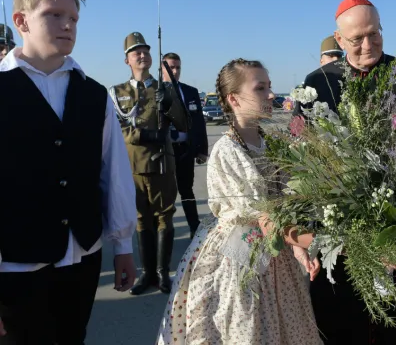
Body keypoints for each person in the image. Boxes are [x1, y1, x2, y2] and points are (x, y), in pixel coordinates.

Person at [0, 0, 137, 344]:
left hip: (83, 256)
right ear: (21, 21)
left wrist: (123, 245)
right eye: (54, 15)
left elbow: (114, 173)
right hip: (16, 264)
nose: (67, 25)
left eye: (73, 18)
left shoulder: (93, 94)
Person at [294, 0, 396, 345]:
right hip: (340, 229)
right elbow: (304, 157)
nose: (367, 45)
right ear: (339, 40)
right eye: (356, 39)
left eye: (375, 34)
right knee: (345, 321)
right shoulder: (317, 83)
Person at [156, 58, 323, 344]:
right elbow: (267, 220)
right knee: (250, 329)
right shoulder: (227, 151)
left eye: (269, 87)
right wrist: (327, 242)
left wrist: (298, 251)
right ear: (234, 99)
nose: (271, 94)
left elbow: (286, 201)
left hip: (278, 255)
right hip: (242, 262)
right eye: (260, 88)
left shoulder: (271, 144)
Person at [109, 32, 190, 295]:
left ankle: (163, 273)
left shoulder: (165, 88)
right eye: (136, 52)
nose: (141, 55)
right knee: (142, 220)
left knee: (164, 217)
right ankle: (146, 274)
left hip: (161, 165)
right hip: (132, 166)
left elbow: (182, 123)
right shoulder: (117, 92)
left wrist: (172, 100)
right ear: (127, 60)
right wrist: (146, 135)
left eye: (145, 51)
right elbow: (117, 128)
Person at [162, 52, 209, 239]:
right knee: (166, 193)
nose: (175, 71)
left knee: (186, 189)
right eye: (170, 67)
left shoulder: (190, 92)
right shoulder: (155, 92)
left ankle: (194, 227)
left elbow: (199, 122)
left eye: (177, 67)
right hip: (164, 151)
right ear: (162, 68)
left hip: (185, 149)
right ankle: (165, 231)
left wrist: (202, 149)